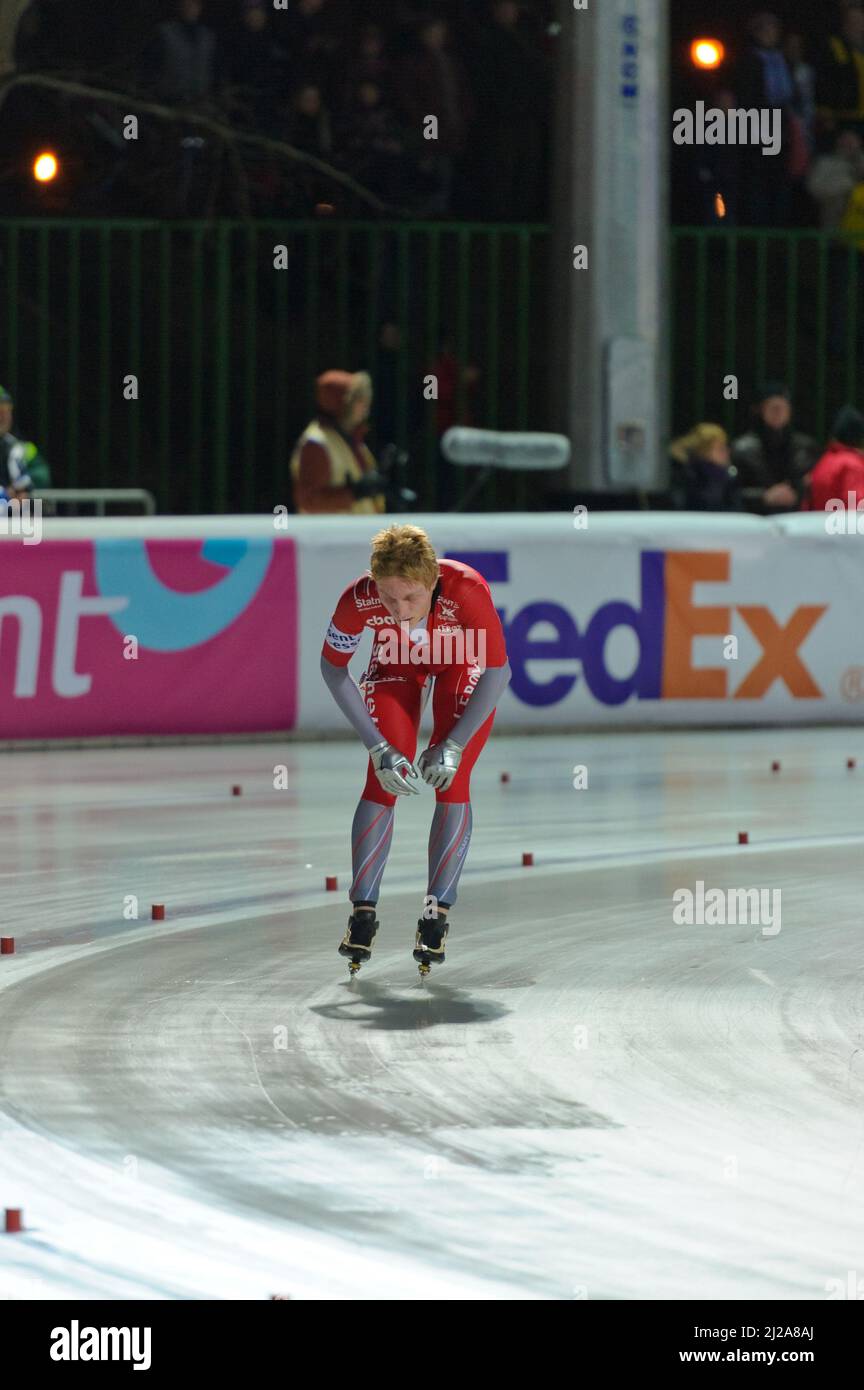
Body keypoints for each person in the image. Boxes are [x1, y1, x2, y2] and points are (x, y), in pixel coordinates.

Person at [320, 523, 511, 974]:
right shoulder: (359, 598)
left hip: (459, 666)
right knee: (381, 777)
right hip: (395, 667)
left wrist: (454, 744)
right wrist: (377, 746)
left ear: (432, 582)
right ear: (374, 586)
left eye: (411, 598)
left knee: (453, 777)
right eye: (389, 598)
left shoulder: (466, 588)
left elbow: (497, 672)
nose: (400, 610)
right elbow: (332, 670)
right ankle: (362, 914)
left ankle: (435, 916)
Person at [290, 369, 386, 514]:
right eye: (358, 400)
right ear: (343, 404)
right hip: (331, 535)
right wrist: (355, 493)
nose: (365, 405)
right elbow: (308, 501)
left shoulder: (348, 438)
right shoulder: (316, 443)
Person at [731, 383, 817, 511]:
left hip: (798, 518)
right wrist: (764, 497)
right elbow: (730, 491)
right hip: (755, 518)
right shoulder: (742, 449)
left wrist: (797, 494)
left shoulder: (806, 447)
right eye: (773, 407)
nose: (778, 412)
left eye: (783, 407)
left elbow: (817, 485)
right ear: (761, 410)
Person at [801, 404, 864, 510]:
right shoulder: (852, 465)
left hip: (819, 523)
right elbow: (858, 507)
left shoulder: (826, 459)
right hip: (841, 525)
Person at [668, 424, 741, 511]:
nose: (726, 452)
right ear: (704, 452)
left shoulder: (728, 477)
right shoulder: (686, 477)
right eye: (720, 448)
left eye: (725, 446)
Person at [0, 384, 51, 506]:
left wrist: (18, 488)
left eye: (6, 410)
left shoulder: (20, 448)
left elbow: (42, 476)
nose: (3, 417)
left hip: (10, 518)